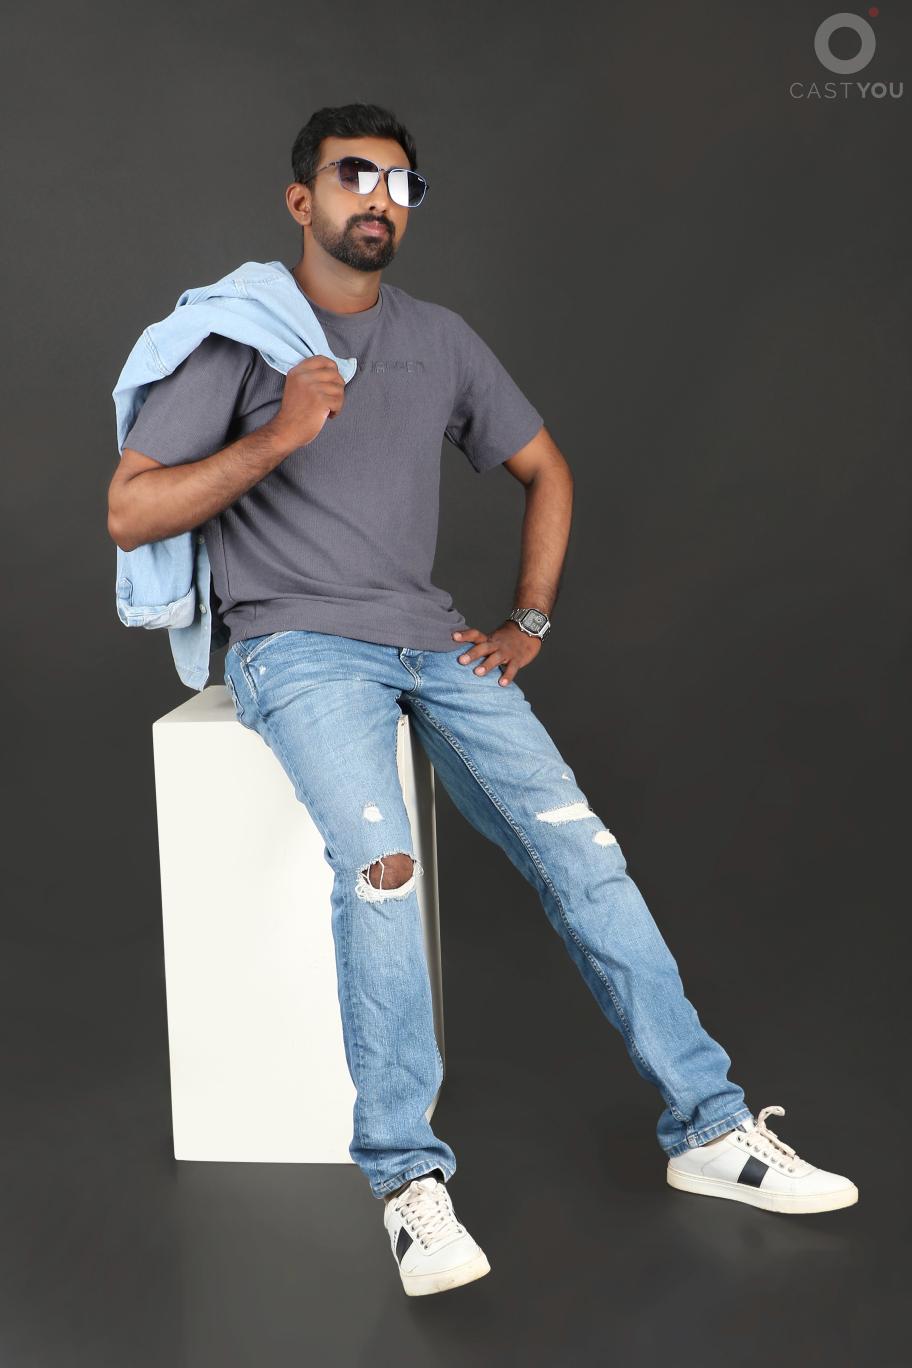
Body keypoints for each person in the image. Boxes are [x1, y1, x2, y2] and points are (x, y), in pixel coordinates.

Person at [107, 102, 858, 1298]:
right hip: (297, 647)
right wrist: (282, 434)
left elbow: (544, 468)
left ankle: (711, 1129)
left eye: (400, 184)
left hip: (432, 644)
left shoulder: (440, 340)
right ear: (302, 199)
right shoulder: (241, 340)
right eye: (353, 176)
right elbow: (130, 508)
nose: (378, 199)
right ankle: (408, 1184)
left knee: (586, 857)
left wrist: (529, 622)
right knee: (383, 870)